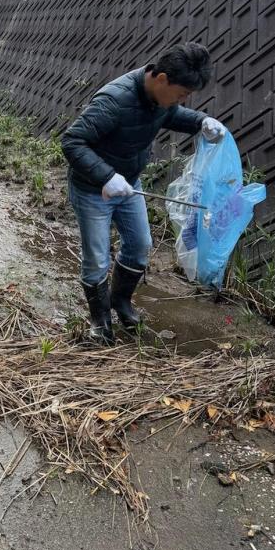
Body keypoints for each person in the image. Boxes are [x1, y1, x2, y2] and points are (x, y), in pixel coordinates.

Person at [61, 42, 227, 343]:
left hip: (129, 184)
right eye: (181, 93)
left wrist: (201, 121)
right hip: (93, 190)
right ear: (161, 78)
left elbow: (172, 114)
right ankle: (100, 322)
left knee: (139, 245)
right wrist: (106, 176)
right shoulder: (114, 100)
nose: (182, 99)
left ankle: (120, 301)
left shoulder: (159, 99)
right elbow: (72, 142)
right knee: (97, 258)